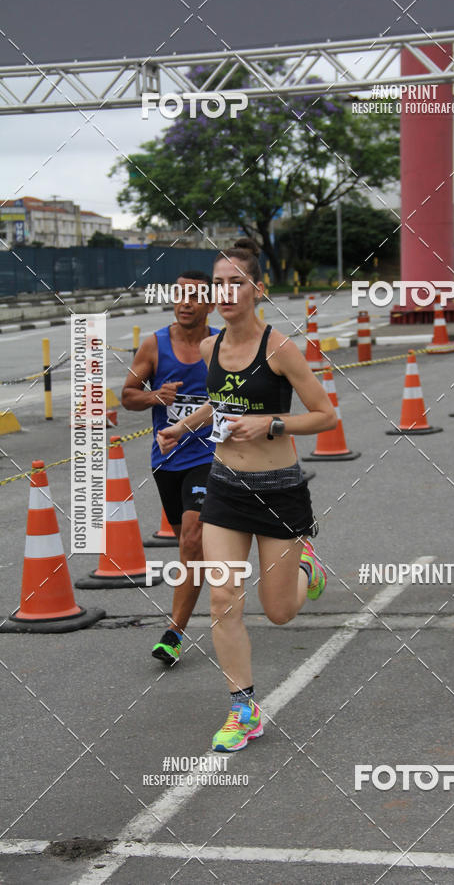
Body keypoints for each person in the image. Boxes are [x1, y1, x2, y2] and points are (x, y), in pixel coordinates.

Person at [158, 238, 337, 751]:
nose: (226, 291)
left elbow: (325, 415)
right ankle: (243, 708)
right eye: (220, 282)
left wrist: (271, 424)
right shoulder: (211, 348)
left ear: (258, 289)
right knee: (222, 597)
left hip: (278, 492)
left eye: (237, 281)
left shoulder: (279, 348)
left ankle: (307, 567)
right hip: (224, 490)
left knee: (278, 611)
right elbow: (220, 405)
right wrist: (183, 428)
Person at [121, 271, 220, 664]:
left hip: (211, 457)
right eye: (180, 295)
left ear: (209, 305)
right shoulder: (155, 345)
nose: (185, 303)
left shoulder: (220, 346)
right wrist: (154, 397)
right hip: (167, 460)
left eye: (195, 296)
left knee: (192, 540)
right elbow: (127, 396)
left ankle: (173, 633)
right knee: (190, 549)